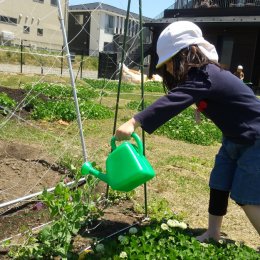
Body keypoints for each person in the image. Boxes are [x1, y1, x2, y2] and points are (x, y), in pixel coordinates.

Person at [115, 21, 260, 242]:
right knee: (219, 183)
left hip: (255, 139)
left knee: (247, 196)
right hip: (234, 138)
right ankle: (213, 233)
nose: (169, 70)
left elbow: (172, 102)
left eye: (170, 62)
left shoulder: (206, 75)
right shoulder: (202, 76)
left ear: (187, 53)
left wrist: (134, 121)